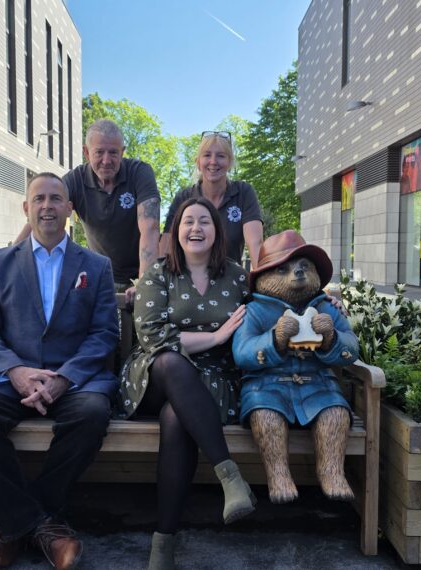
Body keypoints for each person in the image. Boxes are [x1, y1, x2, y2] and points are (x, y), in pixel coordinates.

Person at [0, 173, 119, 569]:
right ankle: (41, 527)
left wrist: (64, 377)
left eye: (56, 198)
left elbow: (104, 334)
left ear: (69, 209)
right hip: (14, 379)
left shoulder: (96, 266)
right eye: (39, 199)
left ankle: (17, 528)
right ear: (26, 208)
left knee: (92, 414)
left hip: (74, 380)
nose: (47, 206)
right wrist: (14, 371)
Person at [118, 197, 256, 570]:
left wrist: (324, 303)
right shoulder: (159, 274)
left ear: (217, 231)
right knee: (172, 362)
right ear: (176, 232)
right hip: (153, 374)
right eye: (187, 222)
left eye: (204, 222)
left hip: (213, 381)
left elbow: (274, 303)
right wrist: (214, 337)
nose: (196, 228)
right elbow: (152, 337)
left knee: (176, 417)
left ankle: (163, 542)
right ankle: (229, 475)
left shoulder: (237, 276)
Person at [16, 119, 160, 303]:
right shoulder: (75, 180)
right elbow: (42, 216)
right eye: (99, 152)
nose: (106, 160)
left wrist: (143, 282)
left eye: (113, 153)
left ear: (122, 152)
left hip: (140, 273)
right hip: (100, 275)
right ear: (86, 152)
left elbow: (150, 227)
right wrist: (11, 261)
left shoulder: (140, 173)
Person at [160, 130, 263, 266]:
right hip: (187, 281)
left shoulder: (244, 192)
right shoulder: (183, 198)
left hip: (230, 280)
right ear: (198, 162)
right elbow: (166, 247)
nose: (213, 162)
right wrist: (154, 282)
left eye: (221, 156)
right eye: (207, 155)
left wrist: (261, 281)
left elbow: (255, 243)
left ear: (230, 162)